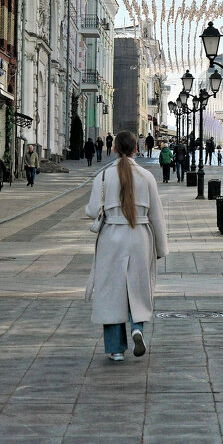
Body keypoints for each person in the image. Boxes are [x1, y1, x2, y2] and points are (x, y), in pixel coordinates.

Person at [85, 131, 168, 362]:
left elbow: (92, 210)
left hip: (111, 237)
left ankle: (116, 349)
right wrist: (161, 248)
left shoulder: (103, 176)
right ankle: (137, 327)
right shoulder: (147, 176)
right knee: (138, 286)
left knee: (111, 291)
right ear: (135, 149)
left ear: (113, 149)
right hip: (140, 237)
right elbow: (156, 215)